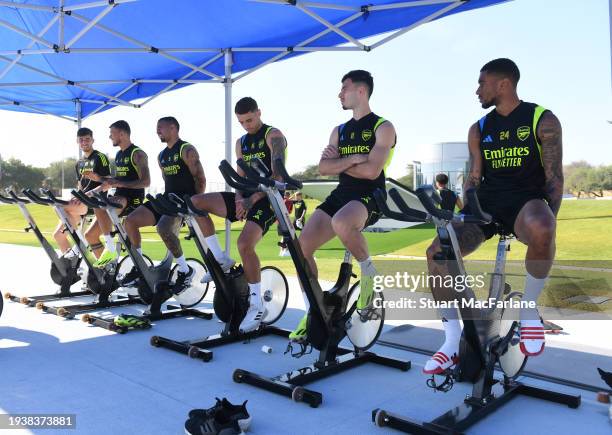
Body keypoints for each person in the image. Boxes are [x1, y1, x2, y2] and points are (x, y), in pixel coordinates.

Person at [423, 58, 563, 374]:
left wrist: (548, 228)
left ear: (503, 84)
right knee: (437, 252)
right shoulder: (479, 127)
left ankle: (528, 311)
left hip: (525, 201)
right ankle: (451, 340)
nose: (477, 90)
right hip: (485, 203)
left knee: (543, 228)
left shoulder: (543, 119)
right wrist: (462, 211)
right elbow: (474, 177)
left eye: (481, 82)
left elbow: (555, 178)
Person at [288, 70, 396, 341]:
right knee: (301, 248)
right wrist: (354, 159)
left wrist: (344, 163)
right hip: (342, 193)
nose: (339, 94)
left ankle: (370, 278)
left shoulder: (382, 127)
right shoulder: (339, 130)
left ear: (361, 91)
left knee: (341, 222)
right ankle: (316, 308)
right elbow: (324, 168)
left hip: (370, 196)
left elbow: (372, 172)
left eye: (343, 89)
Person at [190, 97, 288, 332]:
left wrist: (250, 199)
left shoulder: (273, 136)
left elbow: (278, 178)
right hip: (245, 197)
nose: (247, 125)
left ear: (259, 113)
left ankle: (256, 306)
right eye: (242, 122)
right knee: (195, 203)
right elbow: (240, 176)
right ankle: (221, 258)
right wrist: (237, 199)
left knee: (244, 244)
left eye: (250, 120)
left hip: (270, 199)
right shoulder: (241, 142)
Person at [120, 116, 206, 294]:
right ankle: (139, 266)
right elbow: (168, 181)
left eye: (161, 127)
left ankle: (185, 270)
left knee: (163, 228)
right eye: (157, 128)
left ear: (173, 128)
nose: (157, 131)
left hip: (184, 202)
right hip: (167, 199)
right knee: (129, 221)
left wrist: (194, 205)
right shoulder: (161, 156)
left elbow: (200, 178)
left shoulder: (186, 149)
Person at [83, 120, 148, 273]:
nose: (110, 136)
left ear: (122, 134)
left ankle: (110, 247)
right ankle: (109, 272)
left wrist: (118, 183)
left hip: (132, 199)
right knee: (90, 235)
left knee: (101, 203)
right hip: (119, 196)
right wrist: (98, 179)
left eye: (112, 133)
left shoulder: (137, 153)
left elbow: (146, 181)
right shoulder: (119, 154)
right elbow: (115, 181)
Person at [52, 127, 110, 259]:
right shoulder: (79, 163)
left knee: (59, 206)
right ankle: (72, 263)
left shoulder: (100, 157)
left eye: (87, 139)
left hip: (95, 202)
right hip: (82, 202)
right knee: (58, 236)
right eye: (81, 140)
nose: (84, 142)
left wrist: (87, 195)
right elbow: (80, 186)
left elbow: (107, 183)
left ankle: (78, 241)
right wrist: (76, 196)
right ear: (77, 141)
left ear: (92, 140)